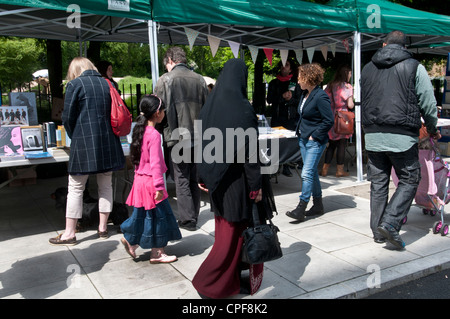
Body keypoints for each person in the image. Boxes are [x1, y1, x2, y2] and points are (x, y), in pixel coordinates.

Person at [192, 58, 276, 298]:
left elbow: (201, 144)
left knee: (229, 233)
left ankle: (231, 280)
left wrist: (202, 174)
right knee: (230, 238)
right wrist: (255, 186)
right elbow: (249, 153)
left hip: (218, 182)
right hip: (236, 183)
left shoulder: (209, 106)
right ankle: (208, 283)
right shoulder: (242, 108)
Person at [361, 31, 440, 250]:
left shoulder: (367, 68)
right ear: (405, 46)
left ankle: (378, 231)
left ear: (384, 44)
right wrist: (432, 128)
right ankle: (390, 222)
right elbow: (428, 102)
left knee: (378, 184)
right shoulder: (415, 66)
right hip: (402, 135)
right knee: (410, 178)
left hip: (373, 134)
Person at [49, 57, 125, 245]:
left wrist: (76, 136)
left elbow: (67, 118)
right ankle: (103, 228)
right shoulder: (108, 84)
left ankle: (69, 233)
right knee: (106, 186)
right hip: (108, 143)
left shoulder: (75, 84)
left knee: (75, 189)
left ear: (75, 70)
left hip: (83, 144)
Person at [120, 95, 181, 263]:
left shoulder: (140, 130)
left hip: (140, 180)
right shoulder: (154, 135)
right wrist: (160, 187)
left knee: (145, 216)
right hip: (151, 183)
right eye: (163, 110)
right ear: (157, 113)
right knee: (160, 218)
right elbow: (155, 164)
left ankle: (132, 241)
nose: (164, 114)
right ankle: (157, 253)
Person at [154, 46, 208, 231]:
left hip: (177, 136)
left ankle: (187, 219)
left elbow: (157, 110)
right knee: (193, 177)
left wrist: (158, 132)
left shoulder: (165, 80)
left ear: (170, 60)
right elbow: (207, 109)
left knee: (182, 177)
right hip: (198, 136)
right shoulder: (200, 79)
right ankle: (193, 215)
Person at [286, 63, 334, 221]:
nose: (298, 80)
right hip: (303, 139)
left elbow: (329, 120)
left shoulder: (321, 96)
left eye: (300, 77)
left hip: (314, 141)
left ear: (308, 77)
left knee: (306, 173)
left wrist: (315, 136)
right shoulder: (305, 94)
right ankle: (318, 204)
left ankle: (301, 207)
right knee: (311, 173)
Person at [267, 58, 303, 177]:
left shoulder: (296, 83)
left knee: (287, 142)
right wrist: (282, 97)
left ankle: (286, 166)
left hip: (290, 118)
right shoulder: (273, 83)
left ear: (291, 68)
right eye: (282, 64)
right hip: (277, 117)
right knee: (274, 142)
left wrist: (290, 99)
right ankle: (274, 167)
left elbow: (299, 101)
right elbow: (269, 100)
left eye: (286, 65)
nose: (284, 66)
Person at [322, 64, 354, 177]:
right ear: (346, 74)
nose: (350, 76)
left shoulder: (330, 85)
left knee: (331, 144)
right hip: (343, 118)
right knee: (341, 144)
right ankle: (339, 170)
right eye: (350, 74)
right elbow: (350, 105)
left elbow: (324, 100)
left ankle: (325, 169)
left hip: (331, 117)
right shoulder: (347, 87)